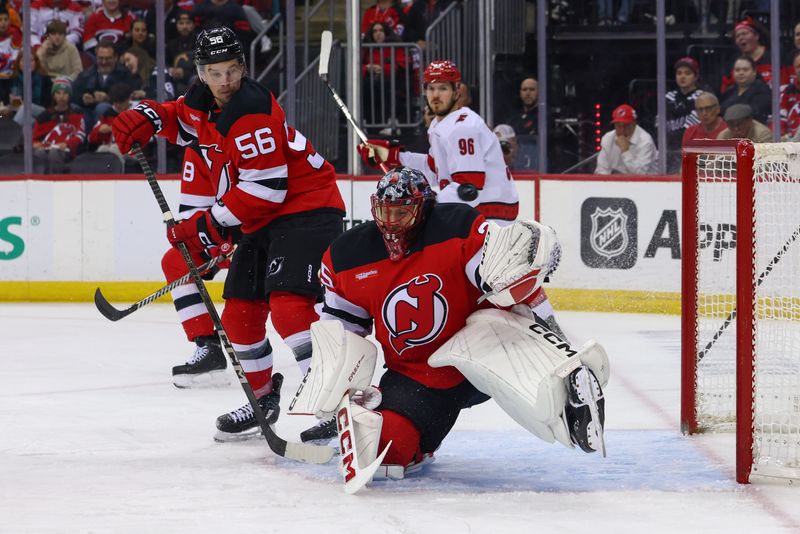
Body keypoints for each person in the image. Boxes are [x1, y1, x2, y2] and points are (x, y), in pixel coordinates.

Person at [293, 167, 608, 482]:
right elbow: (343, 334)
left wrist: (557, 341)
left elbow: (508, 282)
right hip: (418, 376)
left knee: (540, 385)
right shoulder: (347, 257)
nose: (392, 222)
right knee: (388, 454)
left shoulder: (456, 226)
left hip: (487, 348)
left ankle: (562, 375)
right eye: (386, 212)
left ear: (425, 208)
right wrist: (343, 394)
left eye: (402, 212)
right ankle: (409, 433)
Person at [111, 27, 346, 440]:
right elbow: (179, 122)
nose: (225, 81)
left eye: (232, 70)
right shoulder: (204, 101)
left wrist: (206, 225)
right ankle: (261, 400)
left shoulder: (250, 110)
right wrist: (146, 115)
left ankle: (334, 400)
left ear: (243, 67)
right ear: (202, 72)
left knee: (290, 306)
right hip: (262, 219)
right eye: (215, 72)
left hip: (307, 207)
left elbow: (266, 188)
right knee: (239, 313)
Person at [358, 60, 520, 226]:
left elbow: (469, 189)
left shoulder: (463, 128)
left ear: (456, 91)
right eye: (431, 88)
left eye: (443, 88)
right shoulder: (441, 124)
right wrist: (393, 157)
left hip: (491, 217)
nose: (435, 95)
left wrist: (428, 201)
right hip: (477, 212)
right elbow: (432, 169)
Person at [32, 78, 86, 173]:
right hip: (46, 148)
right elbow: (33, 139)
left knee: (54, 153)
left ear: (69, 96)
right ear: (54, 96)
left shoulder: (77, 114)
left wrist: (66, 144)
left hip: (68, 150)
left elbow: (80, 135)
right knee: (39, 153)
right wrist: (35, 144)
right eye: (58, 93)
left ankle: (56, 181)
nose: (62, 97)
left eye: (65, 93)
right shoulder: (44, 116)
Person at [594, 104, 658, 175]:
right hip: (616, 183)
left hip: (647, 184)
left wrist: (625, 151)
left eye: (626, 126)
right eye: (618, 126)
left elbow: (639, 174)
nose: (622, 130)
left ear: (634, 124)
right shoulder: (608, 138)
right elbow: (601, 170)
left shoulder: (645, 141)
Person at [666, 57, 703, 172]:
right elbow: (659, 125)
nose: (682, 76)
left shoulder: (702, 97)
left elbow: (690, 129)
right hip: (668, 151)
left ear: (696, 76)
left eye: (687, 73)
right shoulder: (668, 97)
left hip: (692, 151)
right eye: (679, 73)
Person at [719, 56, 771, 125]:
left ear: (754, 72)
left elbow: (754, 113)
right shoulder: (729, 91)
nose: (741, 73)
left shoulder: (763, 90)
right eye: (737, 70)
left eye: (745, 70)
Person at [503, 77, 538, 171]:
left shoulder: (543, 117)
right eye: (524, 89)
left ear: (539, 92)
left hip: (535, 166)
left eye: (532, 89)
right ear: (520, 93)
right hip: (515, 167)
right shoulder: (513, 119)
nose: (528, 93)